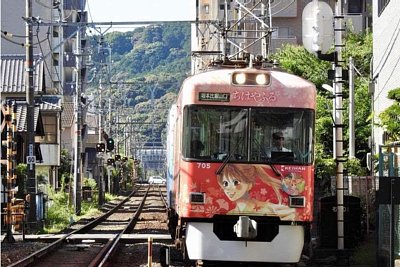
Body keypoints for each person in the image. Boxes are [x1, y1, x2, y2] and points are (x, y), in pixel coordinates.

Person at [217, 164, 296, 220]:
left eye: (236, 182)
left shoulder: (268, 208)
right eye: (225, 183)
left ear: (249, 184)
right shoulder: (230, 213)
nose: (228, 189)